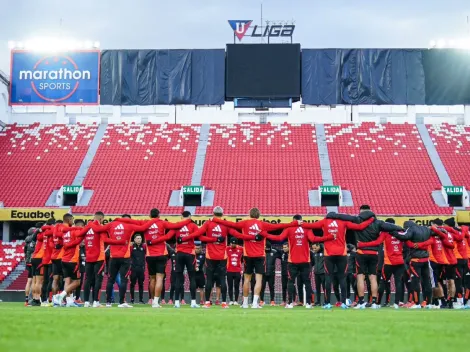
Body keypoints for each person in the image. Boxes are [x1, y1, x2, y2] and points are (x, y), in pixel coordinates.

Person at [213, 207, 298, 309]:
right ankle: (254, 303)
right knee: (258, 279)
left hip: (247, 255)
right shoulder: (263, 224)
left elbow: (232, 224)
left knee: (247, 279)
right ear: (259, 215)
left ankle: (244, 303)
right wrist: (294, 223)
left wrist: (216, 220)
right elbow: (279, 226)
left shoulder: (245, 223)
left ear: (250, 214)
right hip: (259, 256)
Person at [326, 206, 404, 309]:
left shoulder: (358, 220)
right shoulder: (378, 223)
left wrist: (332, 215)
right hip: (374, 253)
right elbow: (391, 226)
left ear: (361, 212)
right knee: (373, 277)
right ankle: (375, 302)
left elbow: (344, 216)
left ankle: (361, 302)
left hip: (361, 252)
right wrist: (400, 228)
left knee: (360, 277)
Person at [118, 208, 191, 308]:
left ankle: (152, 300)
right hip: (161, 254)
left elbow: (131, 221)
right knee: (159, 277)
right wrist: (188, 220)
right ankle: (156, 302)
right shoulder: (162, 223)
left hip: (150, 255)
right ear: (159, 215)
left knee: (152, 278)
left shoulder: (145, 222)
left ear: (149, 215)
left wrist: (118, 220)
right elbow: (176, 226)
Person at [190, 206, 259, 309]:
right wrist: (253, 237)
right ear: (222, 214)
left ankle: (208, 302)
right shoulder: (225, 224)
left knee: (209, 279)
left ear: (213, 213)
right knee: (223, 279)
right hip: (222, 256)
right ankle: (223, 302)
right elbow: (238, 235)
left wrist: (212, 239)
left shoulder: (208, 223)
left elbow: (199, 236)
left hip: (210, 256)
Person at [302, 212, 375, 309]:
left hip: (329, 255)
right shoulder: (343, 222)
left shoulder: (324, 222)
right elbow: (360, 227)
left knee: (328, 279)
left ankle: (327, 303)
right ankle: (344, 303)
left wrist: (298, 223)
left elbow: (307, 225)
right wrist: (371, 220)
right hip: (342, 255)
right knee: (342, 279)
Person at [265, 214, 334, 309]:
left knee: (291, 281)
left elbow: (279, 238)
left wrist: (265, 234)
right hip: (305, 261)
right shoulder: (307, 229)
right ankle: (309, 303)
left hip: (292, 261)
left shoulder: (289, 229)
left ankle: (289, 303)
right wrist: (329, 237)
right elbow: (314, 239)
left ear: (293, 220)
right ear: (301, 220)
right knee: (307, 282)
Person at [91, 215, 151, 308]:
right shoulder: (130, 226)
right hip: (125, 257)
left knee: (110, 280)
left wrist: (92, 223)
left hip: (113, 257)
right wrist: (154, 221)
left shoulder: (111, 224)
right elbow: (143, 227)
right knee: (124, 280)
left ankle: (108, 302)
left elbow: (98, 229)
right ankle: (121, 302)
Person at [390, 220, 445, 309]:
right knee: (427, 282)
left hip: (415, 260)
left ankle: (416, 303)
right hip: (425, 259)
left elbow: (405, 236)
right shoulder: (425, 229)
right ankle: (428, 303)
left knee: (415, 282)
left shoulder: (411, 229)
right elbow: (434, 237)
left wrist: (393, 232)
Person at [356, 218, 406, 309]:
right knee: (398, 282)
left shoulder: (385, 233)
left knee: (383, 282)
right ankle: (396, 303)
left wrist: (363, 244)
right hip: (400, 261)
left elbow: (377, 242)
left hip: (389, 262)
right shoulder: (401, 233)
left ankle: (377, 303)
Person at [53, 219, 90, 307]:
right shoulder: (76, 232)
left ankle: (69, 301)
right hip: (72, 261)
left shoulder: (66, 232)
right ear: (80, 226)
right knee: (77, 282)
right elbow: (79, 239)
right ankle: (60, 296)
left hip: (64, 259)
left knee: (67, 280)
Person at [443, 218, 468, 308]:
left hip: (457, 259)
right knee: (464, 281)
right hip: (465, 259)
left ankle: (459, 301)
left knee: (458, 281)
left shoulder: (453, 234)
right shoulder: (462, 231)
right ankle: (464, 301)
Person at [260, 241, 279, 306]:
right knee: (262, 287)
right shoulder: (261, 252)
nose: (267, 249)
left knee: (271, 287)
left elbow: (281, 255)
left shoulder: (274, 252)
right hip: (263, 273)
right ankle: (261, 300)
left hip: (271, 273)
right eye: (266, 247)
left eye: (268, 248)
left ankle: (272, 301)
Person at [130, 234, 145, 304]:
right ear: (134, 239)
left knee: (141, 284)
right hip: (133, 269)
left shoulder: (144, 247)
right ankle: (132, 299)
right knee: (132, 284)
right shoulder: (131, 247)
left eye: (140, 238)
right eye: (138, 238)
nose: (139, 240)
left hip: (141, 269)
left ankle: (141, 300)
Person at [226, 238, 243, 305]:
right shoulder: (227, 248)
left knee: (236, 286)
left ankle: (236, 301)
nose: (233, 245)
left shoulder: (241, 249)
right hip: (229, 270)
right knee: (230, 286)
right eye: (232, 243)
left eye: (234, 244)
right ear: (230, 243)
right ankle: (231, 300)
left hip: (237, 270)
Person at [24, 227, 36, 306]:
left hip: (28, 261)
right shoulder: (35, 241)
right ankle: (34, 298)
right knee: (35, 281)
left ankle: (26, 299)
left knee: (29, 281)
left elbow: (25, 252)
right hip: (34, 261)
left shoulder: (26, 241)